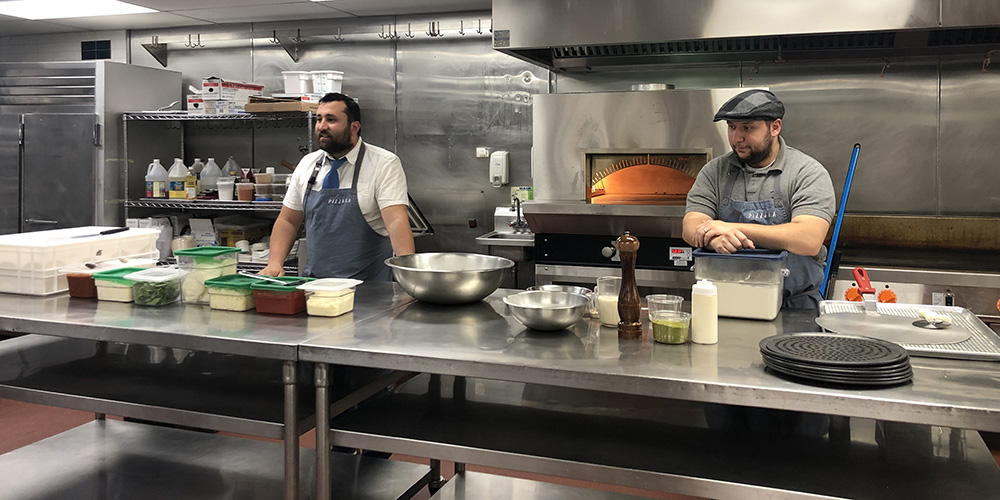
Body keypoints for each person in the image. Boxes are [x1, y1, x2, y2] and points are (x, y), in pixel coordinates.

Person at [683, 89, 835, 309]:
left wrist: (728, 228)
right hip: (729, 304)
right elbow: (691, 226)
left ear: (775, 127)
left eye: (747, 128)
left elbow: (808, 239)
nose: (737, 138)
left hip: (795, 308)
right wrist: (714, 239)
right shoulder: (714, 172)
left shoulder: (807, 172)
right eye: (732, 127)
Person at [261, 92, 414, 280]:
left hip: (370, 289)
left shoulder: (384, 163)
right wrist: (274, 263)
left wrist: (408, 277)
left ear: (354, 127)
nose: (322, 126)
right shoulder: (307, 164)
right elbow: (288, 220)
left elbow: (396, 221)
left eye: (331, 120)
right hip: (316, 285)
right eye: (319, 119)